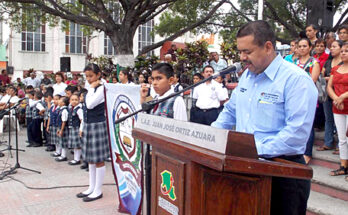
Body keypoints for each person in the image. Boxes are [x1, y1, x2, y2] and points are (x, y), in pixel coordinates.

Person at [212, 20, 317, 215]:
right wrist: (210, 137)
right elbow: (229, 113)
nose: (242, 57)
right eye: (240, 51)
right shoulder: (247, 77)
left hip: (283, 174)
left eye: (247, 52)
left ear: (268, 47)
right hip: (245, 169)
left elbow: (295, 134)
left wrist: (249, 151)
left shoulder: (296, 80)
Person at [140, 63, 187, 214]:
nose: (154, 83)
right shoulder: (153, 99)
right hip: (152, 154)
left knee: (166, 196)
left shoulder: (176, 100)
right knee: (152, 191)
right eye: (152, 79)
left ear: (171, 80)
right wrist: (142, 99)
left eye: (159, 78)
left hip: (168, 157)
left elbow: (181, 131)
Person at [76, 64, 109, 202]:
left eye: (91, 76)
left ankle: (98, 190)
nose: (88, 79)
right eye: (87, 76)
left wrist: (90, 89)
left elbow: (89, 104)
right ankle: (91, 187)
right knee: (90, 158)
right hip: (89, 125)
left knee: (98, 159)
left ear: (98, 75)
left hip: (98, 125)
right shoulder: (92, 88)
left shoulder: (102, 88)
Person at [326, 42, 348, 180]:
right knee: (342, 139)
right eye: (343, 51)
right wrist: (336, 99)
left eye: (347, 50)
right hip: (338, 107)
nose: (344, 53)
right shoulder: (335, 69)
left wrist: (342, 97)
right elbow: (329, 87)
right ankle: (343, 166)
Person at [317, 40, 344, 153]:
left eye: (334, 46)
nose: (331, 49)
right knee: (329, 119)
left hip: (340, 95)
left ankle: (340, 145)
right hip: (328, 93)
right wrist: (328, 78)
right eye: (331, 47)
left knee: (340, 121)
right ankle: (328, 142)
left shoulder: (344, 63)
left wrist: (329, 78)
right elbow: (321, 75)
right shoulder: (329, 62)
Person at [67, 94, 83, 165]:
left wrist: (81, 129)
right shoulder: (71, 108)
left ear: (79, 100)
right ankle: (76, 158)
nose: (74, 101)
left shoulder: (79, 109)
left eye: (76, 100)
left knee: (77, 145)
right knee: (75, 145)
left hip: (77, 128)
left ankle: (77, 159)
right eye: (72, 100)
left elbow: (81, 120)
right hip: (72, 128)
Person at [55, 96, 69, 162]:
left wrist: (61, 130)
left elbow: (64, 121)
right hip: (60, 127)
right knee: (61, 141)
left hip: (64, 128)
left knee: (64, 142)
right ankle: (61, 154)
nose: (58, 101)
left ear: (63, 103)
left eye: (60, 100)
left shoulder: (64, 110)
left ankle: (64, 156)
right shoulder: (61, 109)